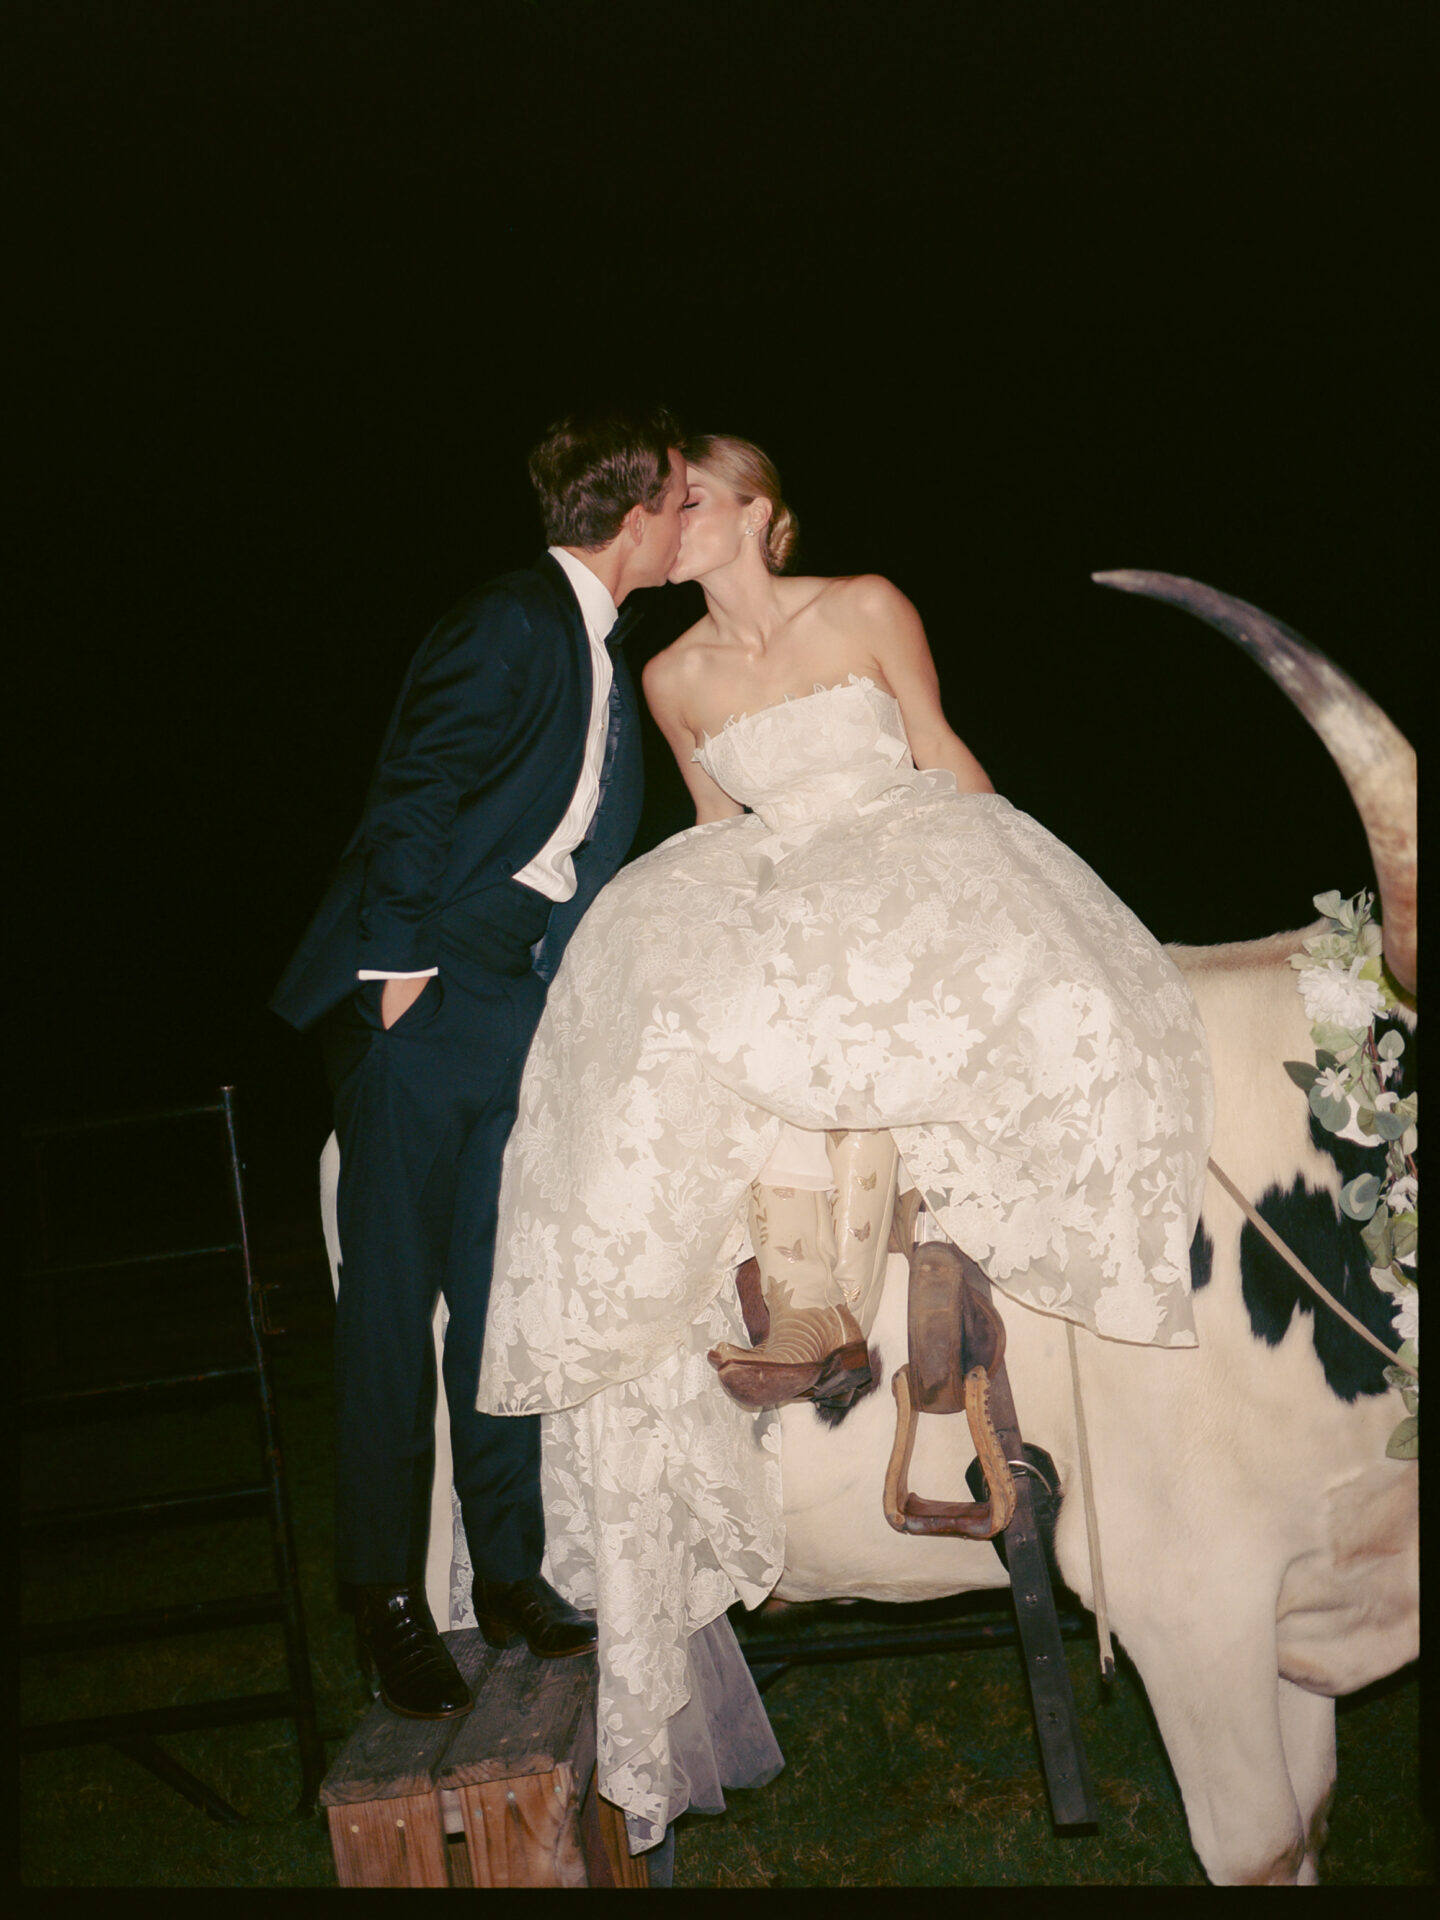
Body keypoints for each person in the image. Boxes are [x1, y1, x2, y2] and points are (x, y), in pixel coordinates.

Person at [476, 433, 1213, 1845]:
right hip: (778, 882)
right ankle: (798, 1306)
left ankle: (929, 1292)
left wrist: (1033, 889)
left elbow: (938, 752)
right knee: (701, 1009)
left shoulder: (866, 604)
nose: (667, 513)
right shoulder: (671, 674)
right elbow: (712, 828)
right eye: (662, 501)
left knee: (918, 988)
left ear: (758, 510)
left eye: (692, 495)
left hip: (906, 854)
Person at [269, 405, 687, 1720]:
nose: (688, 521)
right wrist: (397, 970)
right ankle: (384, 1598)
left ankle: (508, 1570)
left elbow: (570, 846)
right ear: (636, 517)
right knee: (393, 1312)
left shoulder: (602, 648)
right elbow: (417, 788)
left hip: (511, 994)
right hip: (425, 986)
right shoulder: (511, 619)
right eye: (679, 501)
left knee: (503, 1303)